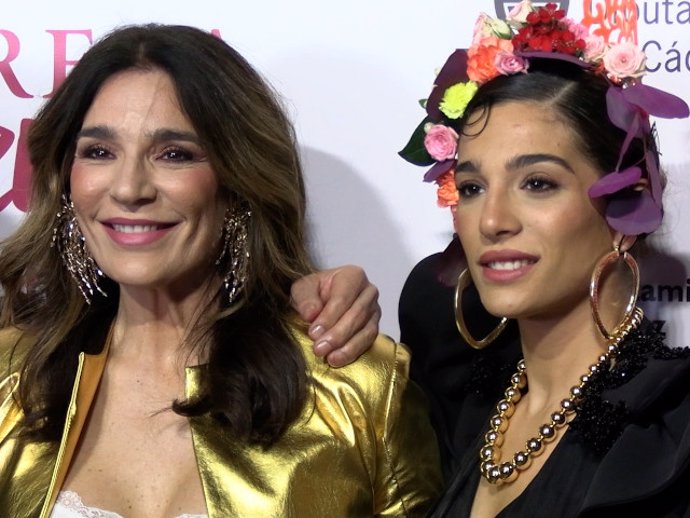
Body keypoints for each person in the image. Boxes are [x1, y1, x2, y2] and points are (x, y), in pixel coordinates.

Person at [0, 24, 443, 518]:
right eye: (99, 152)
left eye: (174, 154)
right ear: (66, 181)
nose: (129, 188)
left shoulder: (356, 387)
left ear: (236, 182)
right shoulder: (11, 380)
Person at [296, 2, 690, 516]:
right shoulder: (464, 388)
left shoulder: (671, 429)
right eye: (473, 187)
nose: (491, 220)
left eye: (538, 183)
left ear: (626, 205)